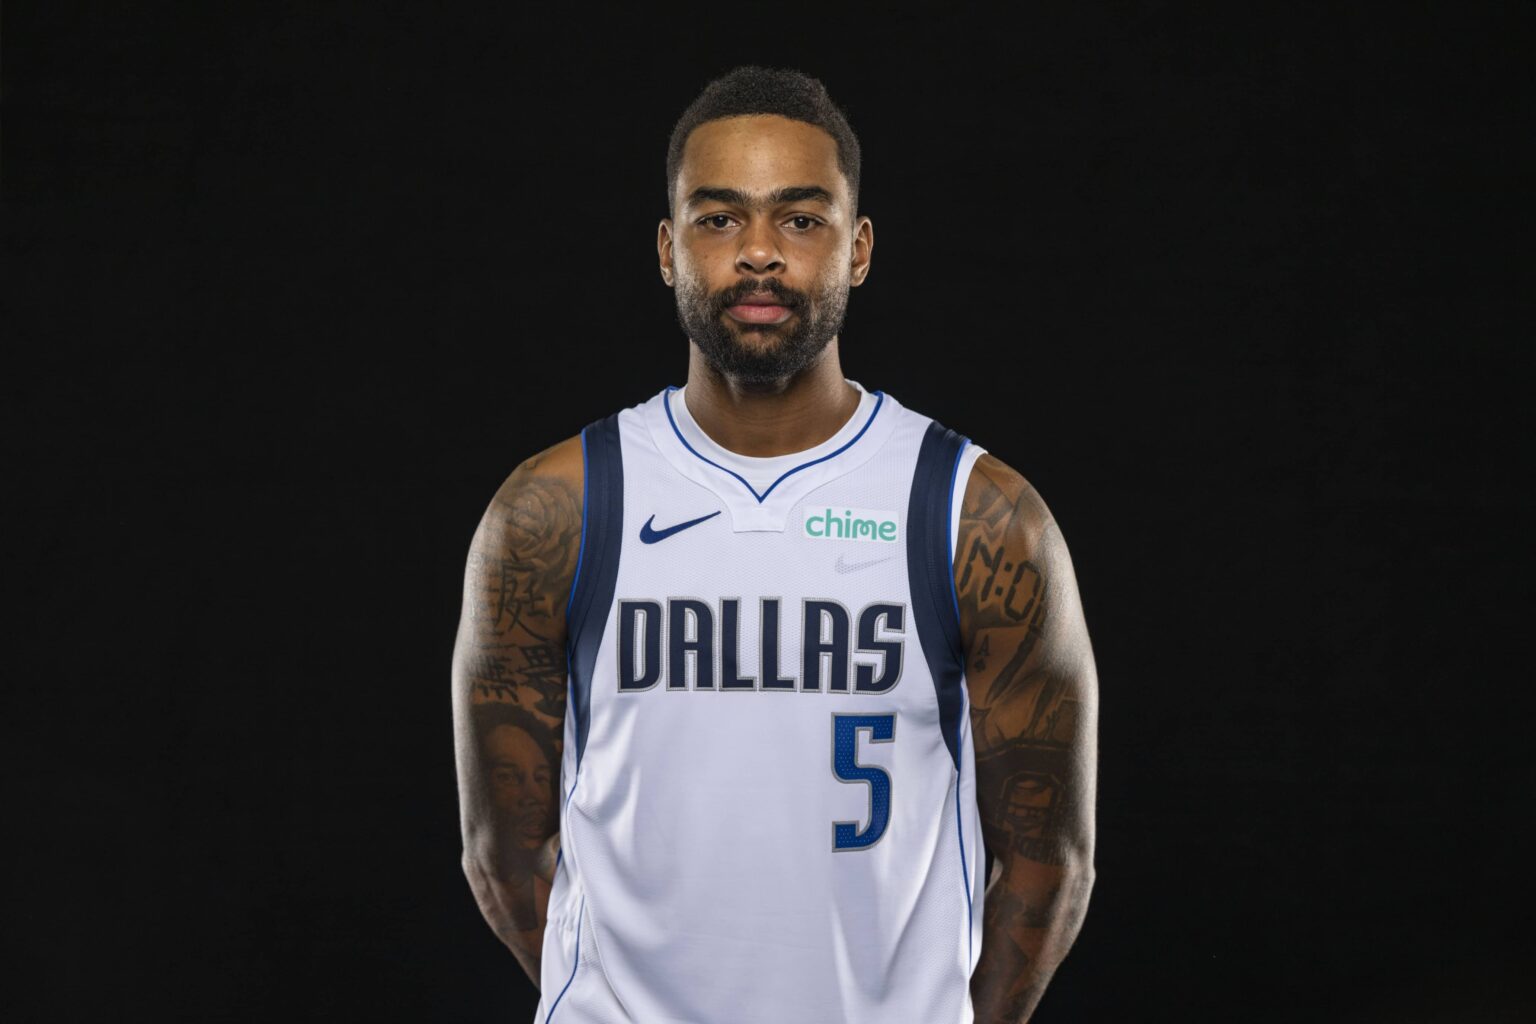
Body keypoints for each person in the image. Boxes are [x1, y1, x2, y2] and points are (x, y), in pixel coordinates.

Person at [452, 64, 1098, 1024]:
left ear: (858, 248)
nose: (758, 254)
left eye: (800, 219)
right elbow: (502, 856)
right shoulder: (554, 513)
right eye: (719, 219)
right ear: (668, 248)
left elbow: (1050, 864)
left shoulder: (980, 516)